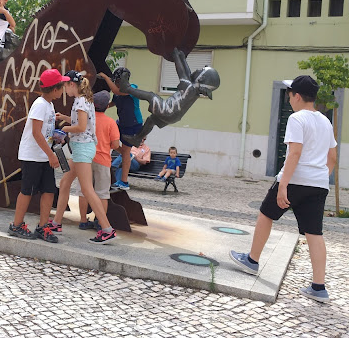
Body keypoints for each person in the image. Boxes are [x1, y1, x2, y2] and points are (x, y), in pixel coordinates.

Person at [230, 75, 337, 303]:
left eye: (290, 96)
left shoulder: (297, 119)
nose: (289, 100)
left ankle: (252, 260)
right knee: (314, 233)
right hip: (318, 184)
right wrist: (319, 177)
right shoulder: (326, 121)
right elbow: (333, 158)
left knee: (266, 214)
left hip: (295, 180)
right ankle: (319, 287)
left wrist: (283, 186)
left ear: (297, 96)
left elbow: (295, 153)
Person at [51, 71, 117, 244]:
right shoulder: (84, 100)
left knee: (87, 189)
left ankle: (107, 229)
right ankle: (56, 222)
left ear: (71, 85)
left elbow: (80, 127)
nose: (64, 88)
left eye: (65, 85)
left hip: (81, 148)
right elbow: (84, 123)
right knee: (65, 183)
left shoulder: (80, 101)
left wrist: (62, 130)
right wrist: (65, 118)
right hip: (84, 147)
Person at [112, 49, 220, 147]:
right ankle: (137, 139)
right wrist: (182, 57)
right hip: (173, 116)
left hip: (168, 110)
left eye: (200, 70)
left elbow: (182, 73)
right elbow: (187, 74)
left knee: (151, 96)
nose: (197, 70)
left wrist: (175, 55)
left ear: (202, 78)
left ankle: (127, 88)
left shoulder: (190, 89)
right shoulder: (194, 91)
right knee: (151, 120)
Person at [7, 69, 67, 243]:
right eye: (61, 86)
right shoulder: (40, 104)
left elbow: (43, 131)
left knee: (49, 190)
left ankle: (42, 227)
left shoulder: (48, 104)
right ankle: (16, 225)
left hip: (44, 155)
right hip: (33, 155)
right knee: (27, 190)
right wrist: (52, 155)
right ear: (55, 89)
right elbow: (35, 133)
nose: (62, 90)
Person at [78, 90, 120, 231]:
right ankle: (101, 222)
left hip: (85, 158)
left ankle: (83, 220)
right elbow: (115, 144)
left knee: (84, 190)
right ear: (107, 106)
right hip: (103, 160)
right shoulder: (110, 122)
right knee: (102, 193)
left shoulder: (86, 119)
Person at [97, 68, 144, 190]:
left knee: (126, 151)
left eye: (116, 81)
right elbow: (112, 103)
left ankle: (124, 182)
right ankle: (125, 154)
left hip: (133, 125)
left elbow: (117, 91)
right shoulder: (118, 93)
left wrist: (106, 78)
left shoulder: (131, 88)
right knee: (110, 140)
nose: (115, 83)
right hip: (122, 123)